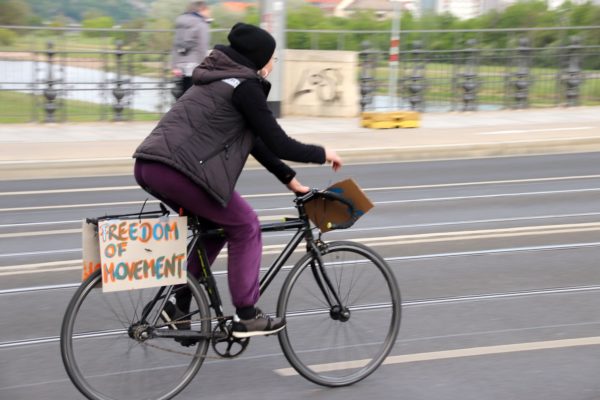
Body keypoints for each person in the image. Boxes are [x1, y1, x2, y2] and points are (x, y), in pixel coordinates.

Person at [133, 22, 343, 339]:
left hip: (151, 165)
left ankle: (177, 305)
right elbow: (278, 142)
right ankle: (247, 314)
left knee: (215, 229)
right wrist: (322, 152)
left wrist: (291, 180)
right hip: (180, 170)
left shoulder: (217, 78)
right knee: (245, 224)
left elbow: (254, 142)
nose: (273, 65)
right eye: (272, 58)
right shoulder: (246, 86)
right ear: (259, 59)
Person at [171, 1, 212, 96]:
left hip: (180, 66)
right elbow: (203, 46)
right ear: (201, 10)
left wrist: (174, 66)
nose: (209, 13)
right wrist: (205, 66)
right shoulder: (201, 24)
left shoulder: (180, 23)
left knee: (182, 96)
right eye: (208, 10)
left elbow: (175, 45)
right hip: (195, 65)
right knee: (194, 97)